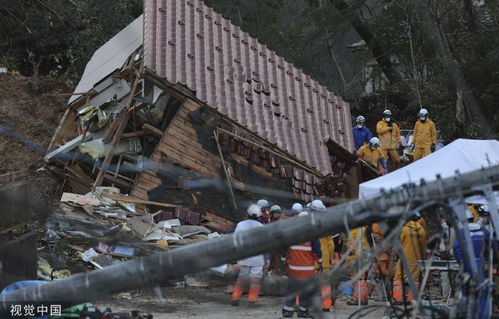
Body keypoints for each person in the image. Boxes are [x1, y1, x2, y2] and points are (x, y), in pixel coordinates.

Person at [282, 214, 322, 318]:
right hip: (307, 270)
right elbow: (317, 250)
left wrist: (284, 259)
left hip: (294, 268)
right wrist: (320, 261)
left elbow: (284, 247)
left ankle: (288, 310)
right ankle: (302, 311)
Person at [453, 209, 491, 319]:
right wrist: (487, 258)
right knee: (481, 291)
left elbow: (456, 248)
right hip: (480, 263)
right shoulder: (483, 230)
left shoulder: (462, 232)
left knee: (466, 291)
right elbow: (492, 246)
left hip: (467, 263)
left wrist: (460, 261)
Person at [231, 204, 266, 306]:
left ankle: (235, 298)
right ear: (259, 215)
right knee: (256, 279)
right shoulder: (261, 227)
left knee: (242, 277)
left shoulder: (241, 225)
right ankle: (252, 300)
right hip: (258, 257)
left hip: (244, 255)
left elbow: (236, 240)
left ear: (247, 214)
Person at [392, 213, 426, 304]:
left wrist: (395, 256)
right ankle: (412, 300)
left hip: (403, 258)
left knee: (398, 278)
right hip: (416, 260)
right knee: (414, 280)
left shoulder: (404, 230)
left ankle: (398, 299)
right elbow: (423, 247)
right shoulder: (421, 231)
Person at [310, 200, 335, 312]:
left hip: (312, 260)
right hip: (324, 260)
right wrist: (329, 258)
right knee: (325, 285)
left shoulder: (310, 224)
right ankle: (326, 306)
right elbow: (331, 245)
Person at [346, 226, 370, 306]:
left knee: (358, 277)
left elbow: (351, 242)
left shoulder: (355, 228)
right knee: (362, 276)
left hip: (357, 254)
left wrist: (350, 253)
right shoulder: (365, 227)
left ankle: (359, 299)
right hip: (363, 252)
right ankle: (363, 297)